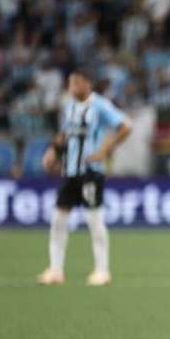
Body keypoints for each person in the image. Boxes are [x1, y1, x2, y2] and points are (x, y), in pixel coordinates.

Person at [37, 68, 132, 286]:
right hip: (69, 171)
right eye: (70, 84)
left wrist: (105, 151)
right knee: (58, 219)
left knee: (94, 220)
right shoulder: (69, 105)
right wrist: (53, 150)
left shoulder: (100, 106)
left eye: (77, 84)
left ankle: (102, 270)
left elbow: (126, 126)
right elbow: (65, 133)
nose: (72, 88)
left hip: (91, 171)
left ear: (88, 84)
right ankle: (55, 270)